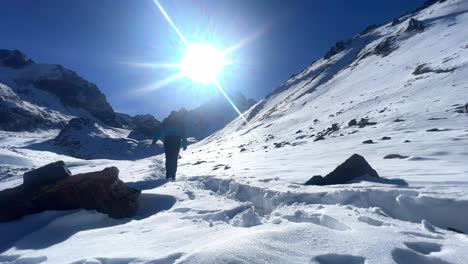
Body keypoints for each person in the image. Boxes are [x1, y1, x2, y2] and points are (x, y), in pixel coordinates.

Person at [152, 114, 188, 180]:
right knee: (174, 159)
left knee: (168, 158)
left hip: (168, 140)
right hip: (177, 141)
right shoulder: (179, 122)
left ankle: (168, 175)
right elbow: (183, 133)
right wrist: (184, 144)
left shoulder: (166, 121)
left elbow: (159, 131)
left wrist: (154, 140)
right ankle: (173, 176)